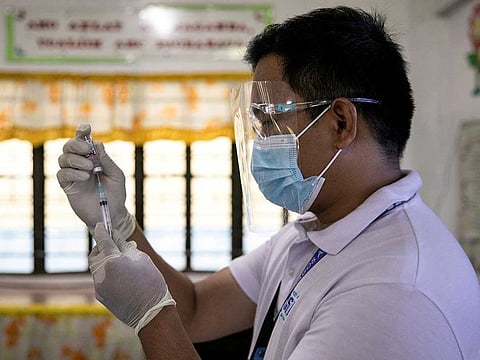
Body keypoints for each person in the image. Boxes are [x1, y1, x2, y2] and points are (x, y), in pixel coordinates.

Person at [57, 6, 480, 360]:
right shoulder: (315, 232)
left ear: (340, 122)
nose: (261, 140)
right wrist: (121, 221)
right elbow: (197, 309)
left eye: (272, 119)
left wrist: (150, 314)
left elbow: (173, 314)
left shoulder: (392, 293)